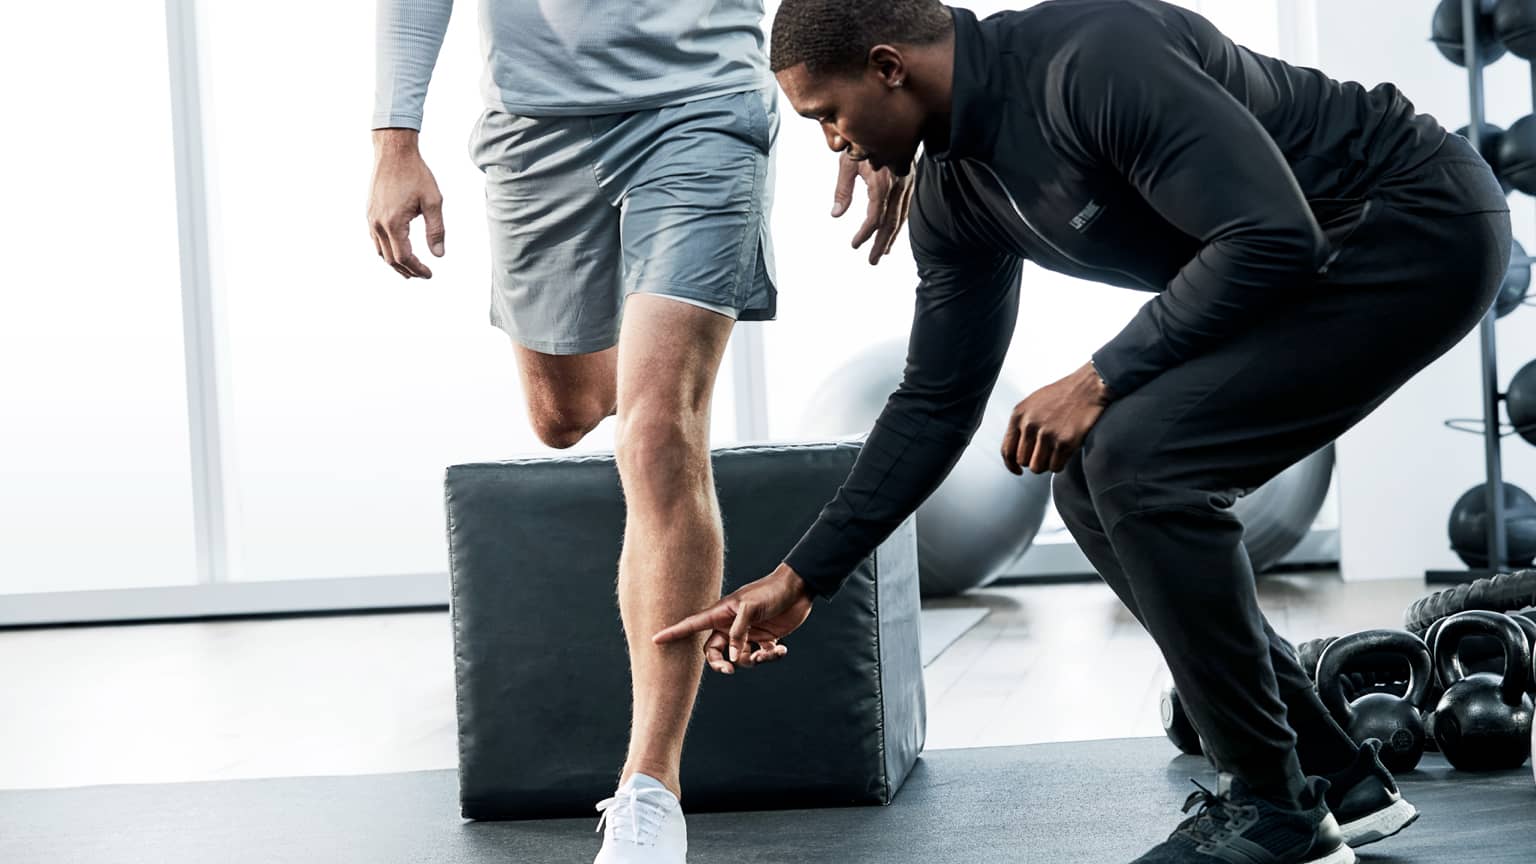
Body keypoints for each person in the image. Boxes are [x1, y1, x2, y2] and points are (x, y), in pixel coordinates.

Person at [655, 1, 1512, 862]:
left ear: (888, 67)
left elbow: (1269, 234)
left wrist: (1098, 377)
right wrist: (805, 576)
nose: (834, 145)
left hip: (1412, 219)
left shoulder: (1094, 61)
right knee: (1092, 481)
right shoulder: (956, 195)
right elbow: (936, 401)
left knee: (1143, 464)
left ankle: (1275, 808)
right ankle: (1331, 780)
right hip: (1303, 263)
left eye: (828, 116)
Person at [365, 1, 912, 861]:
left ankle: (649, 792)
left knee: (659, 433)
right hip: (535, 122)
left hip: (701, 107)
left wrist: (877, 109)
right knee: (565, 416)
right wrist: (394, 138)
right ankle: (658, 356)